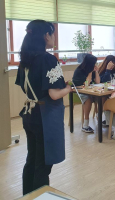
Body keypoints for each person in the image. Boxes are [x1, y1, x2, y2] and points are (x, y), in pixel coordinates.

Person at [16, 20, 71, 195]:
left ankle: (27, 196)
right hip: (44, 117)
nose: (54, 37)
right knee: (43, 164)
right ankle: (39, 196)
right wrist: (69, 88)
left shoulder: (25, 60)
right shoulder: (48, 59)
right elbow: (54, 94)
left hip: (29, 113)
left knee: (31, 159)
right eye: (53, 33)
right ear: (46, 35)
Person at [72, 54, 100, 133]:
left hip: (88, 91)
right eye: (94, 63)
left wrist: (96, 71)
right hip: (77, 91)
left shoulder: (91, 69)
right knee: (88, 99)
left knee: (101, 97)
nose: (95, 65)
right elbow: (86, 84)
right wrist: (91, 73)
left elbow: (98, 82)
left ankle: (102, 118)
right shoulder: (79, 70)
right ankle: (85, 125)